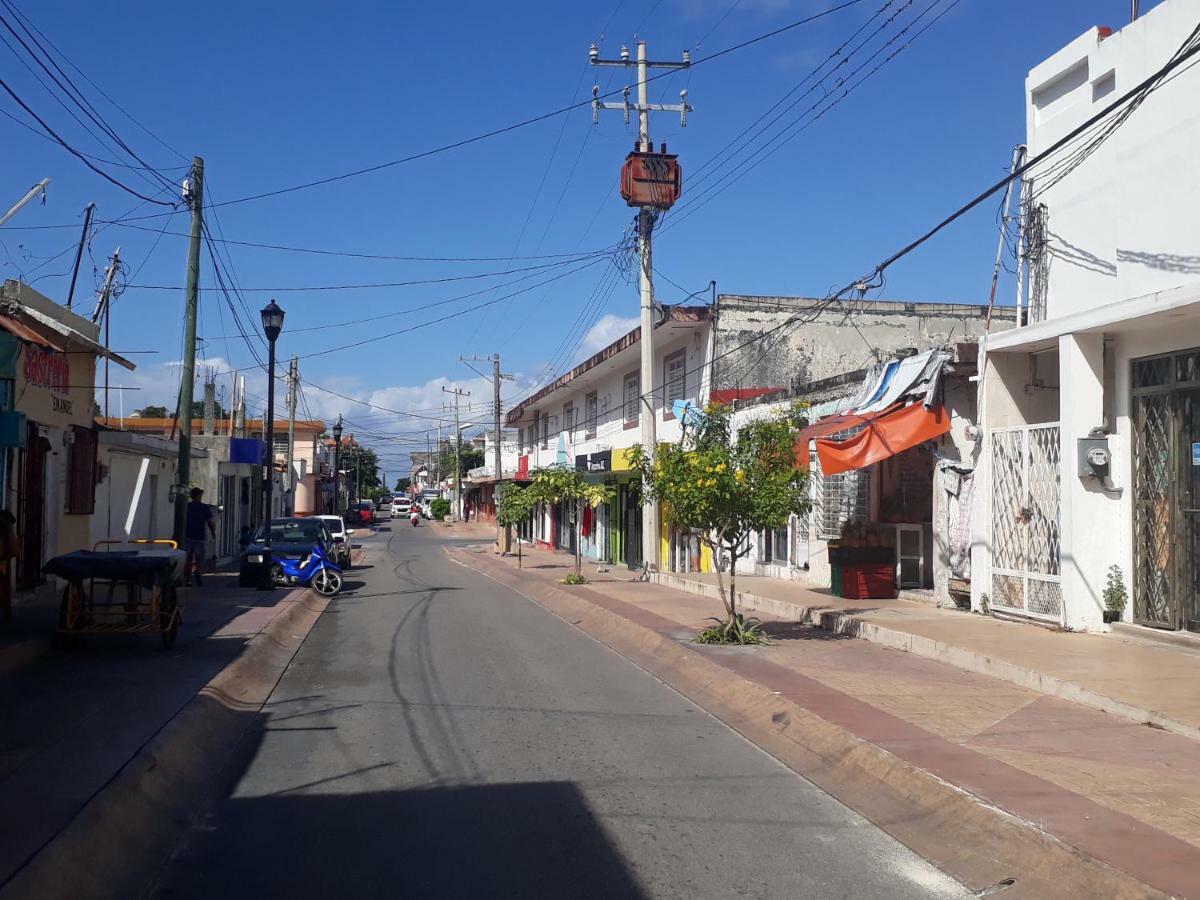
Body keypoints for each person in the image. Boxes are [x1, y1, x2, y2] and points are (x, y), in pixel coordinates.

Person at [185, 487, 216, 587]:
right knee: (200, 559)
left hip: (188, 536)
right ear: (199, 496)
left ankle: (188, 580)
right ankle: (197, 572)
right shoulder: (204, 508)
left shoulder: (187, 506)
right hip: (199, 537)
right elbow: (211, 522)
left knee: (188, 559)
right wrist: (213, 533)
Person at [0, 510, 18, 625]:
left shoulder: (3, 521)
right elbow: (13, 548)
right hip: (4, 561)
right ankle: (7, 616)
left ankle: (7, 616)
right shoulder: (7, 523)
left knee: (3, 590)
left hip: (2, 559)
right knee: (4, 590)